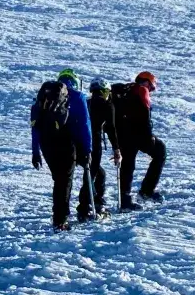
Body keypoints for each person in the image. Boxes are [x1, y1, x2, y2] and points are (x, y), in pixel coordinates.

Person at [30, 69, 91, 230]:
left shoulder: (42, 99)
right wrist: (87, 149)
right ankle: (60, 220)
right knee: (65, 181)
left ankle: (61, 215)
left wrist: (35, 152)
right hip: (66, 142)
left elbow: (35, 126)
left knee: (60, 180)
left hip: (46, 142)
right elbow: (85, 125)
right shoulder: (78, 97)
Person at [111, 71, 165, 210]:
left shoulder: (124, 89)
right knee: (160, 151)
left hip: (121, 134)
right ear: (147, 82)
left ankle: (125, 200)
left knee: (127, 164)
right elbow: (145, 117)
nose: (151, 90)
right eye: (151, 87)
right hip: (138, 134)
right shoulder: (142, 90)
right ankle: (147, 191)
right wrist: (149, 138)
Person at [83, 79, 120, 220]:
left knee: (97, 174)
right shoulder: (107, 105)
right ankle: (86, 207)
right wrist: (116, 149)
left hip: (81, 144)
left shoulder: (86, 103)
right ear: (105, 91)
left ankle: (95, 202)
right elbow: (111, 129)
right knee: (91, 175)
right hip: (94, 145)